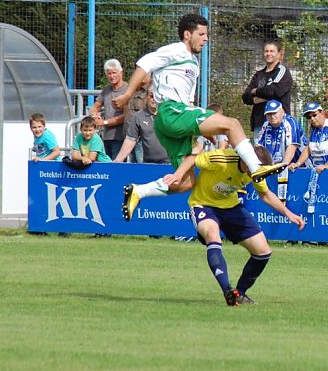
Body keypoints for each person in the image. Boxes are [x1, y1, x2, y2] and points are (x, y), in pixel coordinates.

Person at [115, 14, 285, 220]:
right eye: (201, 34)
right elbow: (144, 65)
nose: (206, 39)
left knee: (186, 183)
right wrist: (127, 94)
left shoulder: (193, 64)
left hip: (173, 120)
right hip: (171, 112)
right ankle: (256, 168)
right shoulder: (176, 50)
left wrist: (207, 129)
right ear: (187, 35)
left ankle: (139, 191)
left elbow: (189, 104)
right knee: (232, 124)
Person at [188, 145, 305, 306]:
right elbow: (191, 159)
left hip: (230, 207)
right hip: (203, 204)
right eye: (253, 168)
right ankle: (228, 291)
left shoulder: (255, 170)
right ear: (245, 159)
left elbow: (265, 194)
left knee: (263, 251)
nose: (254, 174)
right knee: (212, 235)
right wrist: (179, 177)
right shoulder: (221, 158)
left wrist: (289, 213)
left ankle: (240, 293)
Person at [242, 39, 293, 139]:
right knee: (260, 153)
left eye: (272, 51)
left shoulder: (282, 71)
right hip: (259, 123)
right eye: (266, 51)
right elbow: (245, 96)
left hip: (279, 122)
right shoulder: (258, 75)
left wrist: (256, 91)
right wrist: (254, 99)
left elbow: (275, 91)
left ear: (278, 54)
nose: (268, 54)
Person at [114, 88, 170, 164]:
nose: (154, 99)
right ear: (147, 97)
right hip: (148, 164)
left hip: (170, 162)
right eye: (151, 96)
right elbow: (130, 140)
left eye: (157, 96)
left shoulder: (171, 115)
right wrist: (118, 160)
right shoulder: (138, 116)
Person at [89, 59, 128, 160]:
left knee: (117, 168)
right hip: (106, 137)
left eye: (114, 72)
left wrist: (104, 122)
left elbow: (126, 116)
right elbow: (95, 107)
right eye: (109, 73)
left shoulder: (127, 89)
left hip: (121, 137)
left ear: (121, 72)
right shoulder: (107, 89)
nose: (111, 76)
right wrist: (95, 116)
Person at [289, 102, 328, 172]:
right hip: (320, 171)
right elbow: (308, 149)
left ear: (322, 113)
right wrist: (297, 164)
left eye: (314, 115)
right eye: (309, 117)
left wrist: (327, 165)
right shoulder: (314, 129)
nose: (312, 118)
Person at [256, 100, 305, 168]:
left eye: (275, 113)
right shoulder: (266, 125)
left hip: (298, 165)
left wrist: (283, 165)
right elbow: (258, 147)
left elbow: (292, 146)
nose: (272, 116)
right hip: (275, 166)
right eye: (269, 114)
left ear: (282, 111)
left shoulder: (290, 122)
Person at [121, 72, 151, 163]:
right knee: (132, 169)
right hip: (129, 137)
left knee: (142, 168)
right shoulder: (132, 90)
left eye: (143, 73)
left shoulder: (151, 92)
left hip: (141, 139)